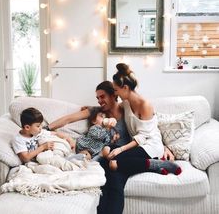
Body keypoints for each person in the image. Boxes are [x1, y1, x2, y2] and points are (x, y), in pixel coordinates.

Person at [46, 80, 177, 214]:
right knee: (104, 184)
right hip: (106, 154)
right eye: (97, 98)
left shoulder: (125, 108)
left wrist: (164, 147)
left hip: (125, 153)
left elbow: (148, 128)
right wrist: (46, 128)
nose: (99, 101)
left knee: (115, 183)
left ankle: (154, 166)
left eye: (102, 97)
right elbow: (68, 119)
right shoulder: (96, 112)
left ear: (113, 95)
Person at [103, 63, 182, 178]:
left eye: (116, 90)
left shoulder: (145, 105)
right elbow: (112, 107)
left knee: (113, 164)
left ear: (125, 88)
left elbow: (144, 136)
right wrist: (94, 110)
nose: (115, 93)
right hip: (137, 147)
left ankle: (164, 164)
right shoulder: (125, 103)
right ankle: (156, 167)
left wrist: (120, 149)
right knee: (108, 154)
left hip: (150, 145)